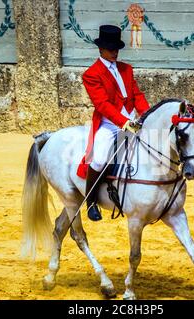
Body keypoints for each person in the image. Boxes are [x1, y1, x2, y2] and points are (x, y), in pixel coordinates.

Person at [76, 24, 150, 221]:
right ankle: (91, 201)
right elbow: (103, 105)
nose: (114, 52)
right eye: (110, 49)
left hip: (132, 118)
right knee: (99, 157)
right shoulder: (92, 74)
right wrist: (125, 123)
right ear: (100, 49)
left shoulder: (126, 69)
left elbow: (137, 95)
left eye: (116, 48)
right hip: (110, 123)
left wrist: (147, 115)